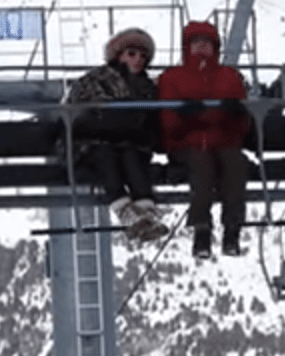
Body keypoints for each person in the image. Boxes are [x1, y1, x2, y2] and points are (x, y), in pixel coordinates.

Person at [157, 21, 251, 258]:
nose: (201, 47)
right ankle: (202, 230)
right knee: (201, 166)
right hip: (186, 143)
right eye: (196, 42)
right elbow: (167, 122)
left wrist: (235, 114)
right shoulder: (172, 78)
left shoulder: (229, 78)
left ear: (215, 47)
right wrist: (188, 117)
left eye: (207, 42)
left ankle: (232, 228)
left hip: (222, 141)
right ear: (187, 47)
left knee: (236, 165)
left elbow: (243, 125)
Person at [65, 27, 168, 242]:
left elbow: (154, 121)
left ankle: (144, 211)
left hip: (129, 143)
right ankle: (126, 211)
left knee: (132, 158)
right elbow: (79, 112)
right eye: (132, 53)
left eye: (143, 56)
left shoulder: (148, 89)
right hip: (92, 143)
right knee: (107, 158)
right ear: (118, 55)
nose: (138, 60)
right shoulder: (96, 80)